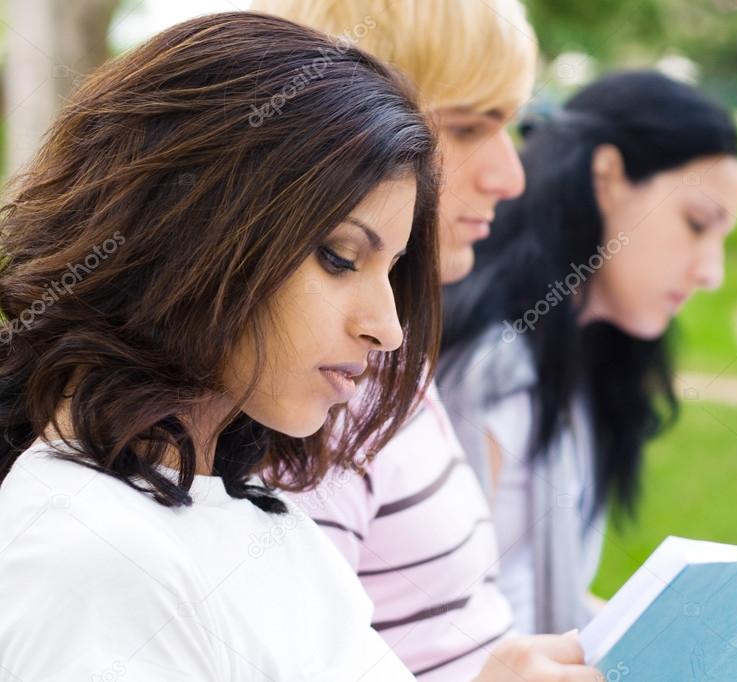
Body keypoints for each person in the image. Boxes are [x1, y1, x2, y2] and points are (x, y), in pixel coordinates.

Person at [0, 12, 567, 681]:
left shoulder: (263, 522)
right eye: (338, 258)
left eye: (390, 270)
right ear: (189, 233)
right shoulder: (94, 558)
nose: (386, 328)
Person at [439, 70, 737, 645]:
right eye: (697, 224)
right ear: (606, 177)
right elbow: (448, 645)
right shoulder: (484, 379)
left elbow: (564, 621)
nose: (711, 271)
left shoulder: (585, 370)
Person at [249, 2, 599, 680]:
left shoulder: (383, 356)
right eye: (467, 127)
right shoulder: (314, 389)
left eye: (512, 126)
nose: (511, 176)